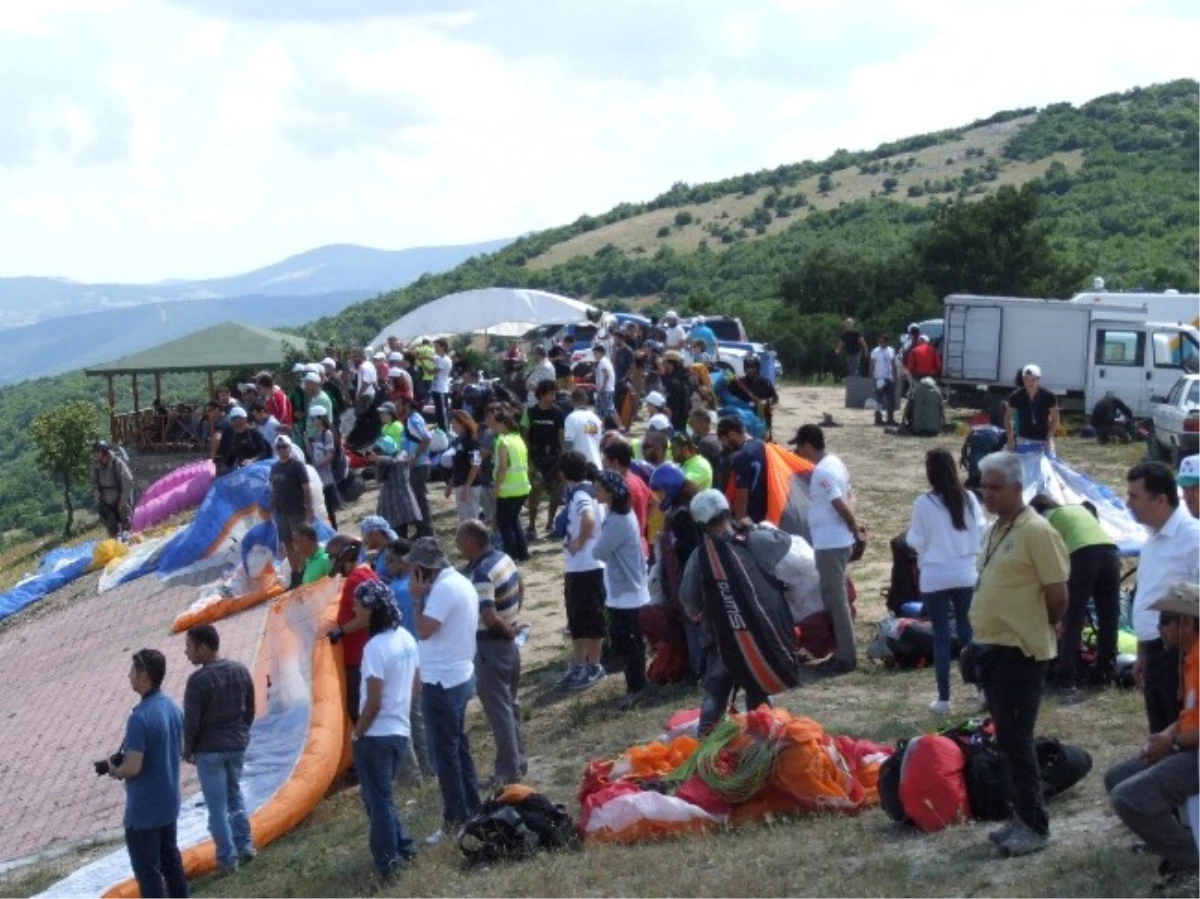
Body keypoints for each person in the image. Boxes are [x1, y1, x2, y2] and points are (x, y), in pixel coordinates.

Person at [970, 451, 1069, 858]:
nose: (987, 494)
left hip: (1022, 652)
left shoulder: (1037, 532)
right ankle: (1020, 815)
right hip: (994, 650)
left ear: (1016, 488)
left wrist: (1035, 625)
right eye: (984, 486)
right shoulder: (997, 529)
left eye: (995, 487)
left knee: (1017, 740)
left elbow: (1058, 597)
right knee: (1007, 741)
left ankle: (1034, 825)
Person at [1105, 583, 1200, 895]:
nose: (1159, 629)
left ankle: (1191, 860)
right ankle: (1172, 843)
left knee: (1128, 797)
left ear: (1187, 622)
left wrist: (1171, 745)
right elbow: (1190, 715)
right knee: (1116, 777)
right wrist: (1167, 733)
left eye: (1165, 621)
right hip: (1188, 746)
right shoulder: (1187, 657)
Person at [680, 490, 773, 735]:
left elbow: (689, 601)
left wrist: (705, 619)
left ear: (701, 523)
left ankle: (705, 753)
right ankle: (767, 746)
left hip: (721, 641)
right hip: (755, 639)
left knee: (715, 695)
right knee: (758, 694)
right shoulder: (754, 540)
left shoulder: (700, 557)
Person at [407, 537, 481, 844]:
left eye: (414, 570)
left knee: (445, 756)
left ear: (424, 570)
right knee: (459, 749)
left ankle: (455, 818)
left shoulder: (441, 591)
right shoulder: (460, 582)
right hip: (459, 676)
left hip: (442, 681)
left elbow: (423, 629)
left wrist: (417, 598)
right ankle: (471, 807)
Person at [348, 579, 420, 880]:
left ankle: (389, 865)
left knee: (377, 803)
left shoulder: (374, 648)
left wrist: (357, 733)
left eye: (359, 605)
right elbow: (416, 686)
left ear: (372, 610)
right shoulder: (405, 638)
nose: (354, 609)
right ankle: (404, 847)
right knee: (383, 798)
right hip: (400, 730)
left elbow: (373, 700)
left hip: (375, 735)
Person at [906, 448, 983, 716]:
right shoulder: (969, 499)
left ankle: (943, 698)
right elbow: (980, 531)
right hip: (965, 572)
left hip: (935, 574)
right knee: (967, 631)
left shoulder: (923, 504)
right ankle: (980, 688)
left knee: (940, 635)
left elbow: (915, 539)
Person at [106, 649, 188, 899]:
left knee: (148, 873)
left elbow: (133, 767)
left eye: (132, 670)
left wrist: (114, 770)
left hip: (144, 813)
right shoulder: (172, 707)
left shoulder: (139, 718)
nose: (128, 675)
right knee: (171, 863)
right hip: (168, 803)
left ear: (144, 677)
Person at [1125, 461, 1200, 733]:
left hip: (1180, 655)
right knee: (1158, 730)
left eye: (1135, 496)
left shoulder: (1192, 538)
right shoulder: (1152, 537)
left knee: (1178, 733)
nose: (1128, 503)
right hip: (1155, 651)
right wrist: (1142, 653)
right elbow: (1148, 594)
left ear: (1160, 500)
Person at [790, 424, 865, 675]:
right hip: (836, 540)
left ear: (808, 446)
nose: (799, 454)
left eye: (800, 449)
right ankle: (844, 649)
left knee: (836, 600)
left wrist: (854, 525)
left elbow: (838, 502)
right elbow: (851, 495)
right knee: (836, 597)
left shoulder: (822, 471)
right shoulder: (836, 463)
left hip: (831, 543)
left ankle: (846, 655)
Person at [456, 520, 526, 785]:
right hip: (507, 645)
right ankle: (518, 759)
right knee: (510, 703)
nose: (458, 547)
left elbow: (487, 614)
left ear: (472, 543)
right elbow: (520, 585)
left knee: (499, 711)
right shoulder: (502, 558)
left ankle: (508, 770)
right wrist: (514, 619)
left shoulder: (482, 573)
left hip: (491, 645)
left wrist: (506, 629)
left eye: (459, 541)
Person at [182, 625, 256, 874]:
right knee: (235, 796)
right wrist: (242, 733)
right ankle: (245, 846)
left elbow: (191, 722)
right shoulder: (239, 670)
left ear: (203, 647)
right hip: (236, 744)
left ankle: (226, 859)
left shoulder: (198, 681)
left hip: (210, 750)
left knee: (216, 807)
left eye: (189, 647)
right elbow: (250, 708)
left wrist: (187, 748)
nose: (187, 652)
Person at [1029, 495, 1121, 693]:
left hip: (1082, 555)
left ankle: (1065, 679)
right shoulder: (1077, 510)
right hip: (1111, 552)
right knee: (1109, 617)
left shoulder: (1045, 518)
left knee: (1073, 618)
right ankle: (1105, 673)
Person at [592, 471, 650, 709]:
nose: (596, 492)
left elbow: (598, 552)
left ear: (612, 493)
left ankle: (637, 687)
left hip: (625, 591)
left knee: (628, 641)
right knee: (631, 640)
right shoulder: (621, 515)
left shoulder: (617, 521)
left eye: (600, 489)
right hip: (628, 587)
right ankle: (637, 684)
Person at [559, 451, 608, 690]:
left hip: (586, 566)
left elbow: (587, 518)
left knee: (589, 618)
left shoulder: (580, 494)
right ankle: (579, 664)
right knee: (577, 619)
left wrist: (578, 541)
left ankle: (593, 666)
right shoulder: (588, 490)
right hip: (580, 566)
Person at [326, 535, 381, 727]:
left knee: (358, 712)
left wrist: (340, 631)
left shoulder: (356, 579)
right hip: (363, 654)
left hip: (358, 658)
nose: (333, 564)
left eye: (333, 558)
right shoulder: (365, 573)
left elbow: (366, 616)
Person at [522, 380, 566, 540]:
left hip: (554, 458)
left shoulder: (558, 412)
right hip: (536, 458)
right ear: (541, 395)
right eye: (551, 393)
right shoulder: (530, 412)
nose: (554, 396)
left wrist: (562, 458)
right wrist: (527, 460)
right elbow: (525, 436)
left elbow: (561, 436)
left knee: (556, 493)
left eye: (555, 393)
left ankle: (550, 523)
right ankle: (532, 526)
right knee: (534, 495)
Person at [270, 436, 315, 589]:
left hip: (297, 510)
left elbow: (306, 488)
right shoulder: (275, 468)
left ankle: (304, 572)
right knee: (287, 543)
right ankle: (295, 574)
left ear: (290, 448)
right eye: (279, 447)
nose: (282, 449)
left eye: (285, 446)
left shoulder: (297, 465)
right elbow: (274, 489)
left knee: (300, 542)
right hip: (281, 511)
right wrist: (272, 508)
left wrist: (310, 510)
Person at [491, 407, 532, 562]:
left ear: (503, 424)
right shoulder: (518, 439)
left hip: (508, 489)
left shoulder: (503, 441)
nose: (493, 427)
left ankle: (511, 554)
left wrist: (496, 487)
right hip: (522, 487)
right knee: (514, 521)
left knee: (504, 524)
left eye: (495, 424)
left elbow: (502, 466)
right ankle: (523, 553)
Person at [602, 438, 651, 557]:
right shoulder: (637, 480)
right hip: (640, 543)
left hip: (626, 549)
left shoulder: (622, 487)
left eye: (605, 459)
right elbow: (653, 503)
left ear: (615, 462)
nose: (602, 462)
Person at [367, 435, 421, 538]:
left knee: (400, 532)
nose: (377, 452)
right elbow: (379, 479)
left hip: (398, 501)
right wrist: (377, 462)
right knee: (396, 533)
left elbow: (393, 461)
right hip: (393, 502)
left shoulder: (400, 456)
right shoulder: (389, 460)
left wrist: (377, 458)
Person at [395, 395, 434, 537]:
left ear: (407, 406)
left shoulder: (413, 420)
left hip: (419, 465)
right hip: (415, 465)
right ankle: (421, 530)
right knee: (416, 499)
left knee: (419, 499)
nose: (397, 409)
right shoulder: (410, 420)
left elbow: (426, 438)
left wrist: (414, 457)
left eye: (399, 406)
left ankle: (426, 531)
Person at [719, 416, 768, 523]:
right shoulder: (762, 445)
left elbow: (742, 497)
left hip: (751, 518)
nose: (724, 445)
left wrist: (738, 525)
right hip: (767, 512)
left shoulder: (742, 456)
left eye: (724, 440)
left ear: (731, 434)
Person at [1004, 364, 1059, 452]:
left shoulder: (1049, 396)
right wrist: (1010, 439)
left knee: (1050, 461)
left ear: (1038, 379)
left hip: (1043, 438)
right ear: (1023, 380)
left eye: (1033, 379)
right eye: (1027, 379)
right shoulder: (1016, 396)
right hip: (1023, 437)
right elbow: (1007, 418)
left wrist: (1049, 437)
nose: (1030, 383)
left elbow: (1055, 418)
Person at [442, 410, 482, 522]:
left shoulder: (473, 442)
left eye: (455, 423)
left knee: (472, 519)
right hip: (460, 484)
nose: (452, 426)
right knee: (463, 519)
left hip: (471, 486)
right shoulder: (458, 441)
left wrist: (467, 486)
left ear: (463, 423)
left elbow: (475, 466)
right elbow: (457, 466)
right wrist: (450, 484)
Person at [307, 405, 341, 530]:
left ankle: (334, 530)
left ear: (320, 418)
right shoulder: (317, 435)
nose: (312, 422)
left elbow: (330, 454)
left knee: (329, 508)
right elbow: (313, 455)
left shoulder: (327, 434)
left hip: (326, 477)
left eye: (313, 419)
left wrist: (319, 465)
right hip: (319, 476)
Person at [92, 440, 134, 538]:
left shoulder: (117, 463)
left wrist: (122, 500)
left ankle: (127, 539)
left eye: (98, 452)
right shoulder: (96, 467)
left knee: (126, 525)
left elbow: (128, 481)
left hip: (120, 499)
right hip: (106, 502)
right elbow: (94, 483)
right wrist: (98, 498)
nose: (96, 455)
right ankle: (115, 546)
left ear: (104, 452)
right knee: (111, 529)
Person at [729, 356, 779, 439]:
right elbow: (728, 397)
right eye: (748, 367)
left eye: (753, 367)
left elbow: (775, 398)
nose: (750, 370)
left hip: (762, 416)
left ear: (757, 368)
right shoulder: (737, 383)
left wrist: (766, 402)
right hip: (745, 418)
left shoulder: (765, 382)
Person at [219, 407, 272, 474]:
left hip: (259, 470)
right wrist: (222, 469)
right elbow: (232, 456)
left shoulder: (255, 433)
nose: (232, 423)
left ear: (243, 419)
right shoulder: (236, 436)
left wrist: (252, 460)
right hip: (244, 471)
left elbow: (265, 452)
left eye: (234, 419)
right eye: (231, 420)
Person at [564, 387, 604, 468]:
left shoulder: (572, 418)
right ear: (586, 400)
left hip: (580, 467)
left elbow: (568, 444)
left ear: (571, 401)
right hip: (596, 465)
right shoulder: (595, 418)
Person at [869, 334, 897, 426]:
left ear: (887, 342)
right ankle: (878, 418)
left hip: (889, 378)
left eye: (882, 342)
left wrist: (894, 375)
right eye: (879, 342)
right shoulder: (875, 351)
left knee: (891, 399)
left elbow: (893, 364)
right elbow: (872, 364)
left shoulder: (891, 350)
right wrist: (872, 376)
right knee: (879, 399)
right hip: (879, 378)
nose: (881, 343)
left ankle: (890, 418)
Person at [431, 338, 453, 431]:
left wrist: (422, 363)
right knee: (438, 412)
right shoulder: (440, 358)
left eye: (437, 346)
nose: (435, 348)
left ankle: (446, 431)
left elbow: (432, 371)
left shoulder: (445, 360)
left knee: (443, 412)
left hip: (441, 389)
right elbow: (432, 358)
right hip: (436, 388)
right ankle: (441, 430)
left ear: (442, 347)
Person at [592, 343, 616, 421]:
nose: (594, 355)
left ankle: (620, 426)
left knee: (610, 409)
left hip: (605, 390)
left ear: (601, 353)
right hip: (603, 389)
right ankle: (602, 427)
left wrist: (603, 387)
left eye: (595, 353)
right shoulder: (603, 361)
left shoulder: (603, 362)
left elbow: (607, 375)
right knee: (600, 410)